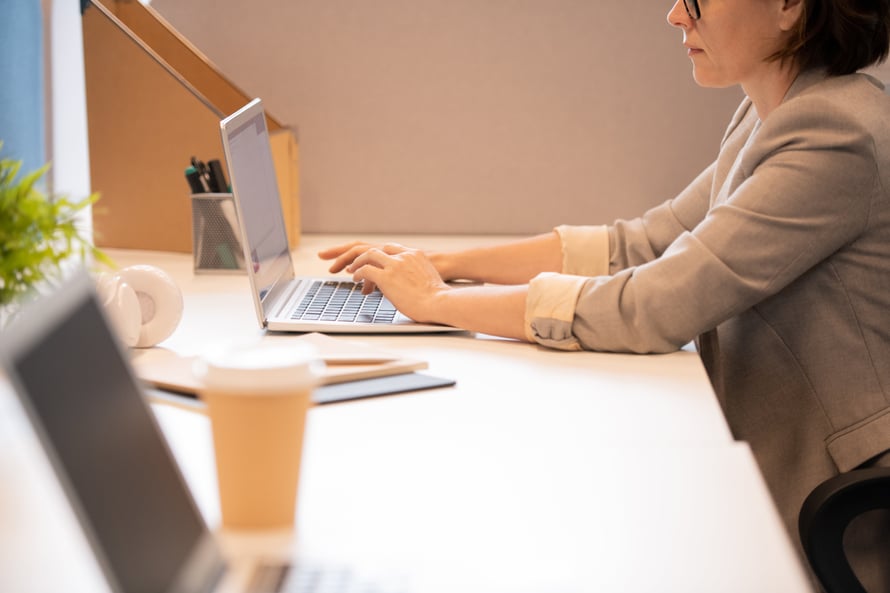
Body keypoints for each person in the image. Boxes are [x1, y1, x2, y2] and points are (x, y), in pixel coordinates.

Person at [320, 0, 890, 589]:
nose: (675, 16)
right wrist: (444, 264)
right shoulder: (774, 108)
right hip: (763, 461)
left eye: (699, 0)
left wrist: (438, 304)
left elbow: (653, 305)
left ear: (789, 6)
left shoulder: (834, 133)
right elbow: (647, 242)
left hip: (832, 508)